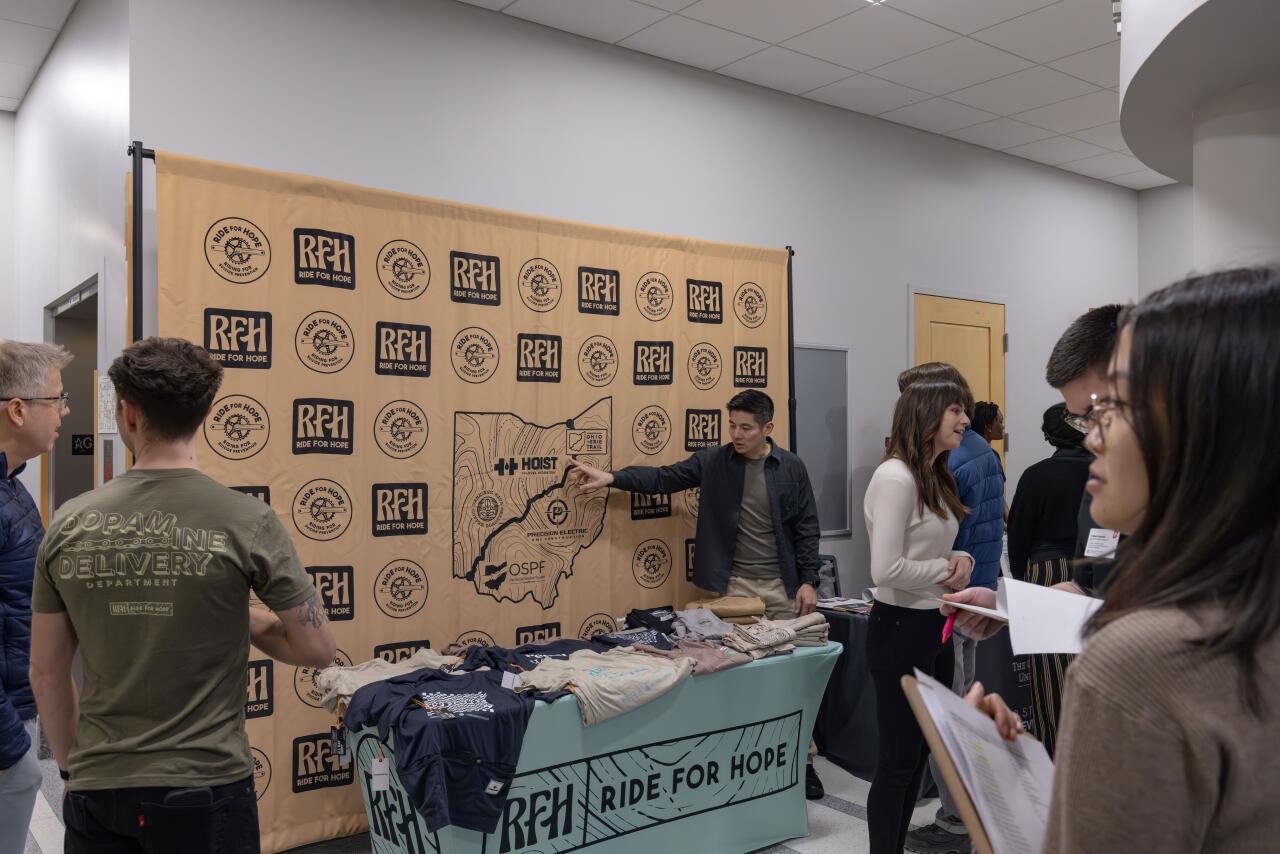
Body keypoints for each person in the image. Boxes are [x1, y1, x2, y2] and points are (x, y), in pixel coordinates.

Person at [952, 266, 1280, 851]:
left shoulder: (1140, 664)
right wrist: (1007, 605)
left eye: (1116, 406)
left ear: (1205, 424)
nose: (1093, 437)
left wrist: (998, 799)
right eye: (1087, 416)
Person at [28, 337, 337, 853]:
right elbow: (317, 648)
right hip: (208, 786)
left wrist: (69, 767)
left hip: (99, 786)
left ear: (128, 413)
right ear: (207, 414)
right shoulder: (248, 521)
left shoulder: (68, 523)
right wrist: (238, 613)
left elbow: (46, 671)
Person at [566, 389, 827, 798]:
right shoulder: (714, 461)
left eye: (746, 427)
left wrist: (809, 580)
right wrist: (612, 478)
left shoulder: (791, 467)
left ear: (768, 428)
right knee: (731, 678)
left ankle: (803, 759)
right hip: (730, 589)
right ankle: (739, 758)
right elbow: (663, 478)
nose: (736, 434)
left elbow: (807, 525)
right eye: (732, 426)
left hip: (781, 588)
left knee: (790, 679)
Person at [863, 379, 974, 854]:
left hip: (934, 624)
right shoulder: (895, 477)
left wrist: (961, 558)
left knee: (920, 753)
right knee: (897, 762)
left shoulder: (934, 473)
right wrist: (945, 569)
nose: (965, 420)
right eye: (955, 410)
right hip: (899, 627)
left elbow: (932, 549)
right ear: (927, 413)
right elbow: (884, 568)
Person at [896, 364, 1002, 854]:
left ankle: (956, 817)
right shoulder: (981, 453)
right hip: (971, 591)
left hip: (952, 600)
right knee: (959, 704)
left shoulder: (952, 459)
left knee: (948, 712)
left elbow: (933, 540)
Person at [0, 341, 71, 854]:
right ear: (18, 409)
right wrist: (10, 744)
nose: (65, 411)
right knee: (22, 781)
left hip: (14, 698)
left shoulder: (14, 487)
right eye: (58, 399)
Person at [1005, 403, 1092, 756]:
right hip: (1096, 572)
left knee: (1048, 672)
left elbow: (1018, 535)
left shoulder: (1037, 475)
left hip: (1045, 575)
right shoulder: (1105, 472)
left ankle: (1055, 757)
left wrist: (1020, 578)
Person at [1045, 304, 1124, 594]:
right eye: (1084, 418)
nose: (1092, 437)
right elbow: (1088, 584)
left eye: (1097, 409)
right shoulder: (1099, 486)